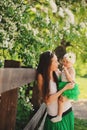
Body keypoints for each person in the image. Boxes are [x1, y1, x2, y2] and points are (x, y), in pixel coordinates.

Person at [36, 51, 75, 130]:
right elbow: (47, 100)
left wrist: (67, 97)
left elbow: (72, 85)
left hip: (67, 113)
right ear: (48, 63)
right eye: (55, 61)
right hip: (53, 118)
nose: (58, 63)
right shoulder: (41, 77)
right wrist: (64, 89)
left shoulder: (57, 72)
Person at [51, 52, 80, 122]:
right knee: (60, 100)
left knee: (61, 100)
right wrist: (59, 72)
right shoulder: (64, 69)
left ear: (72, 63)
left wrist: (66, 71)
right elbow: (62, 76)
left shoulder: (71, 69)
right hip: (63, 85)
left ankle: (59, 116)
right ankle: (60, 114)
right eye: (64, 61)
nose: (65, 63)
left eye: (67, 62)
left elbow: (70, 79)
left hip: (69, 86)